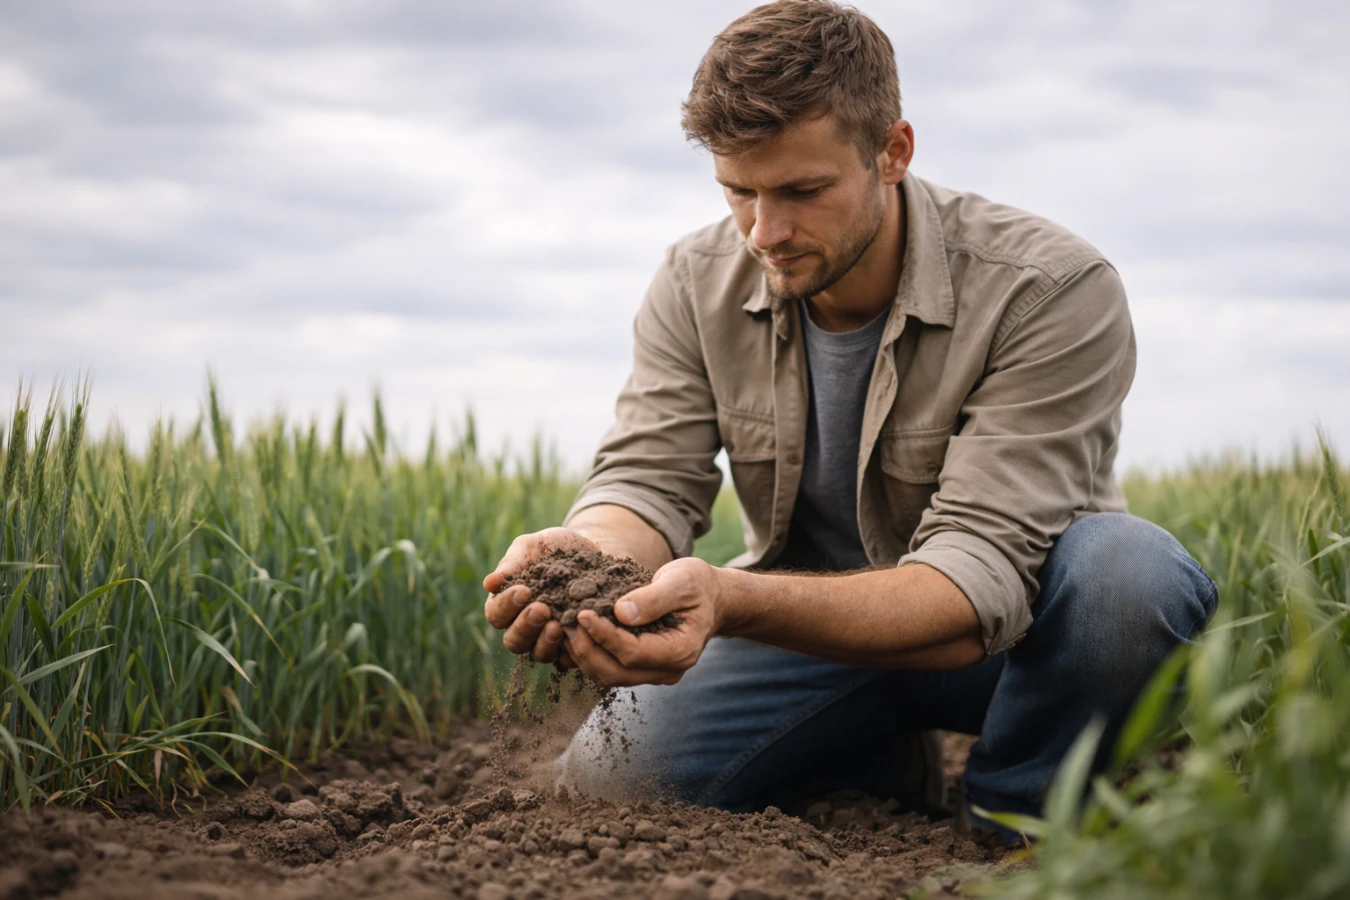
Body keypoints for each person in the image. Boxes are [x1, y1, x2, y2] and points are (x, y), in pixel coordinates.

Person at [482, 0, 1217, 838]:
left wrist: (729, 597)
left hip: (1018, 644)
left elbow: (972, 583)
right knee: (614, 788)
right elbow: (647, 476)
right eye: (738, 193)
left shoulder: (1050, 288)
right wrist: (593, 558)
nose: (766, 231)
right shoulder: (694, 281)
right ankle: (865, 752)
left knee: (1130, 577)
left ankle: (1022, 811)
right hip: (814, 640)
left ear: (892, 152)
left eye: (803, 191)